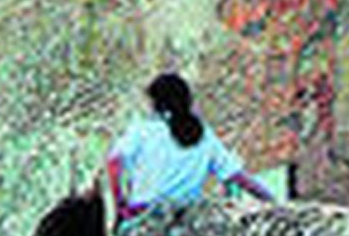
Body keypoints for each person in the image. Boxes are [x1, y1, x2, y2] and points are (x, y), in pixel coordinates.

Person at [105, 72, 276, 224]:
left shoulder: (143, 131)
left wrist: (120, 202)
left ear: (156, 103)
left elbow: (113, 163)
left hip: (144, 218)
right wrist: (272, 201)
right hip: (186, 224)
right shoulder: (203, 134)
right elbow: (238, 176)